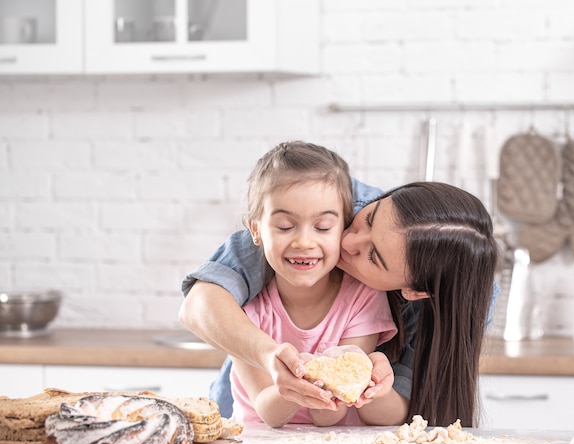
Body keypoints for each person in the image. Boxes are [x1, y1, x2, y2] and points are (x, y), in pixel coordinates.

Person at [179, 147, 499, 428]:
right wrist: (269, 357)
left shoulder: (448, 297)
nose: (348, 239)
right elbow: (198, 306)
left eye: (373, 257)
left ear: (415, 291)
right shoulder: (312, 201)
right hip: (248, 424)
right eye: (368, 220)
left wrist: (366, 385)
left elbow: (397, 407)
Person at [229, 141, 397, 428]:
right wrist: (307, 375)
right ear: (256, 230)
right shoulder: (244, 309)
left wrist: (339, 382)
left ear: (344, 227)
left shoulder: (362, 298)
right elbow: (269, 412)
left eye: (322, 227)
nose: (304, 242)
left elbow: (331, 415)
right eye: (284, 226)